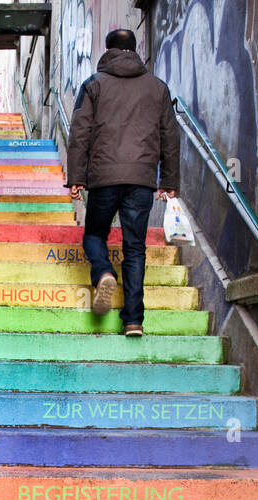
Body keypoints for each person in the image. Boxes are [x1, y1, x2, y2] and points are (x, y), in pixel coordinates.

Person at [66, 29, 180, 336]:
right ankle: (133, 320)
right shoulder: (157, 87)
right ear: (135, 50)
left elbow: (79, 133)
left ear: (108, 49)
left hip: (103, 177)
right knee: (135, 249)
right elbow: (170, 135)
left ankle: (103, 271)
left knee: (94, 236)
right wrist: (168, 180)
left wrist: (76, 177)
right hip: (142, 179)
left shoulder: (93, 85)